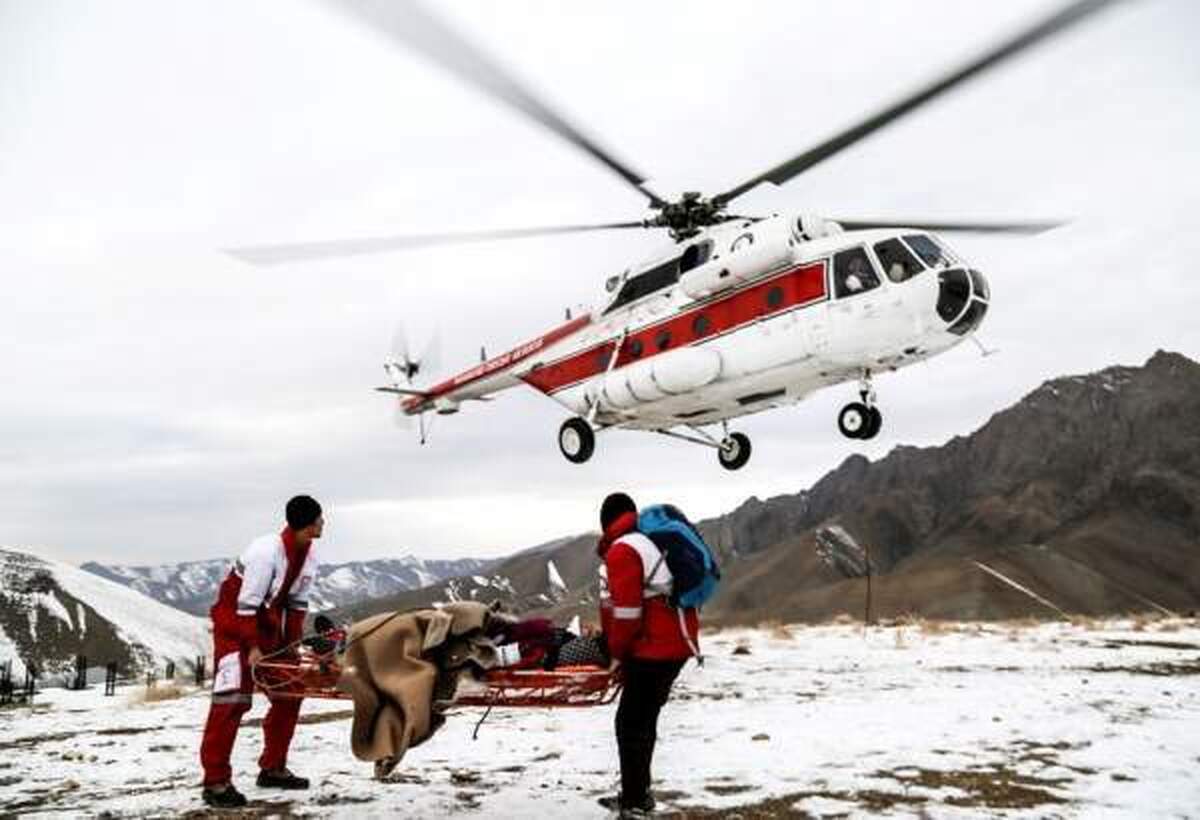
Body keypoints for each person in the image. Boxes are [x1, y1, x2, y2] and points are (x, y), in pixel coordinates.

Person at [198, 495, 324, 808]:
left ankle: (273, 768)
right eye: (320, 519)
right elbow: (246, 605)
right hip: (235, 629)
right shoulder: (265, 553)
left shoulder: (308, 555)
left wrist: (291, 648)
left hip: (270, 631)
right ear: (308, 525)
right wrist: (252, 648)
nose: (323, 523)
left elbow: (295, 607)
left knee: (290, 693)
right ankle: (215, 782)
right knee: (232, 702)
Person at [595, 492, 700, 818]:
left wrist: (616, 653)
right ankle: (637, 794)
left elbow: (626, 612)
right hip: (676, 643)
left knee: (630, 724)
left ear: (605, 522)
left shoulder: (623, 549)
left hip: (655, 647)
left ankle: (636, 803)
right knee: (642, 721)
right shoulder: (644, 541)